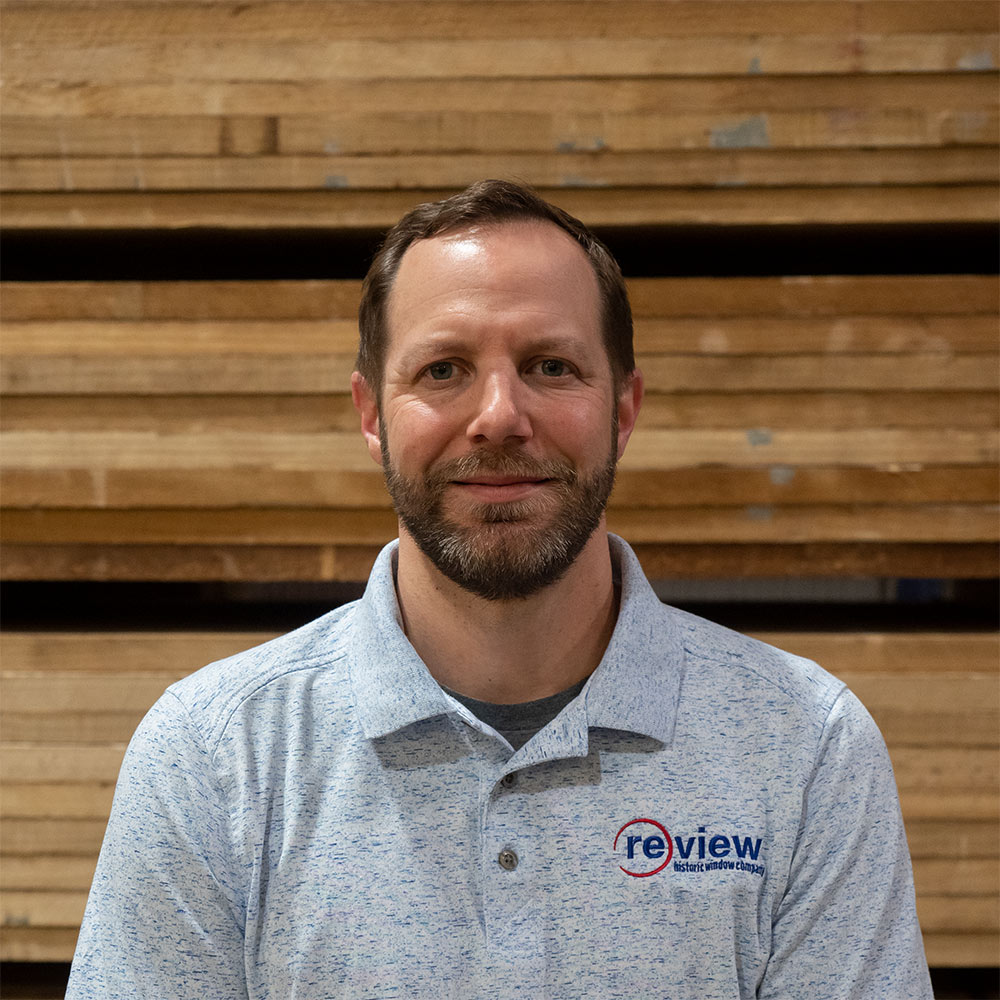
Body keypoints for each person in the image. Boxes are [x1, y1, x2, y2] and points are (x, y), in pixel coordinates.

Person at [66, 180, 932, 999]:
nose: (499, 416)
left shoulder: (805, 748)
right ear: (372, 414)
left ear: (623, 410)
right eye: (442, 370)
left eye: (551, 366)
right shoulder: (217, 754)